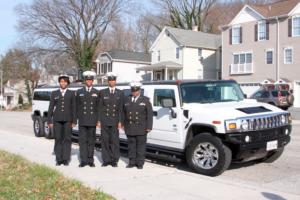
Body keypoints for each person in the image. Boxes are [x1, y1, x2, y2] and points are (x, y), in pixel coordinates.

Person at [47, 75, 76, 166]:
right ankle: (59, 159)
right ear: (59, 83)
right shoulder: (54, 93)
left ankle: (66, 159)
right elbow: (51, 108)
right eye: (61, 81)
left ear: (67, 83)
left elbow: (74, 108)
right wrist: (49, 121)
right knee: (58, 139)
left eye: (65, 82)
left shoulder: (71, 93)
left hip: (68, 120)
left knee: (67, 139)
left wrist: (74, 121)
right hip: (57, 120)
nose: (63, 83)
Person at [123, 82, 153, 169]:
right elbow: (123, 113)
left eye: (136, 90)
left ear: (139, 90)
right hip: (130, 127)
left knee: (140, 147)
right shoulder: (127, 99)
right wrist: (122, 124)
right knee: (131, 146)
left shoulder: (145, 100)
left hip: (141, 127)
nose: (134, 92)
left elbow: (149, 115)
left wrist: (149, 127)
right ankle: (131, 162)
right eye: (133, 90)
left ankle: (140, 163)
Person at [98, 72, 124, 167]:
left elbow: (121, 109)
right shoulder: (103, 92)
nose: (111, 82)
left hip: (115, 121)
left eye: (113, 80)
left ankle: (114, 160)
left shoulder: (120, 93)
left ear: (115, 81)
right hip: (105, 120)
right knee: (105, 141)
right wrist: (99, 120)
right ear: (108, 81)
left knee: (114, 141)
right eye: (110, 80)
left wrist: (121, 121)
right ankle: (106, 160)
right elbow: (100, 108)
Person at [76, 71, 99, 167]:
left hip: (92, 121)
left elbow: (98, 108)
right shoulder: (80, 92)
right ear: (85, 81)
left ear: (92, 81)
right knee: (82, 141)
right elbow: (77, 106)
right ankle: (83, 160)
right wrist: (75, 119)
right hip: (82, 121)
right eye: (87, 80)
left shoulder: (97, 92)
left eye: (90, 80)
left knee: (91, 141)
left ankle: (90, 160)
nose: (89, 81)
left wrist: (98, 120)